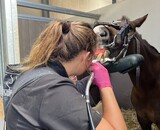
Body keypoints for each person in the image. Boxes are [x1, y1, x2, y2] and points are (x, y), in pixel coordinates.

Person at [5, 21, 127, 130]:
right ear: (86, 57)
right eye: (93, 57)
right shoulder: (52, 91)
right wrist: (105, 85)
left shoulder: (36, 72)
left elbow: (68, 95)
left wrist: (90, 81)